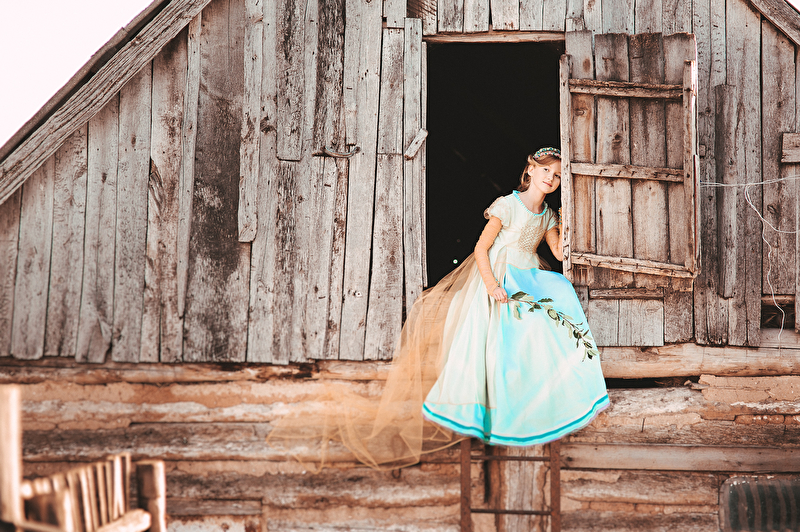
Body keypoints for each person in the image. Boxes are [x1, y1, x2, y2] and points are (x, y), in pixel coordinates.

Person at [267, 147, 609, 469]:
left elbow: (559, 254)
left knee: (557, 294)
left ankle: (553, 389)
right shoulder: (508, 204)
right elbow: (481, 248)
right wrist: (491, 284)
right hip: (498, 274)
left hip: (528, 274)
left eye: (557, 175)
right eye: (545, 170)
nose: (550, 178)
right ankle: (488, 406)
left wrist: (568, 222)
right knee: (493, 341)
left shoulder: (547, 215)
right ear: (530, 170)